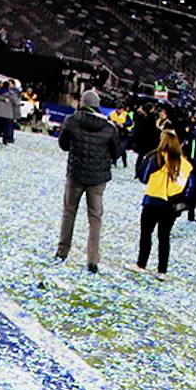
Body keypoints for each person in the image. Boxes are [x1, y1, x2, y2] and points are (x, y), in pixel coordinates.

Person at [55, 89, 119, 273]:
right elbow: (116, 152)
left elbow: (63, 145)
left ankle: (62, 251)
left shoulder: (71, 121)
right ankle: (93, 259)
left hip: (75, 174)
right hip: (98, 178)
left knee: (69, 213)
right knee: (95, 219)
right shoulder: (109, 127)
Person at [133, 130, 192, 275]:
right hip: (171, 205)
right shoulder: (185, 165)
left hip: (153, 200)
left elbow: (143, 176)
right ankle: (162, 270)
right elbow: (189, 187)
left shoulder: (156, 158)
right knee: (164, 237)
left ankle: (141, 264)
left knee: (146, 234)